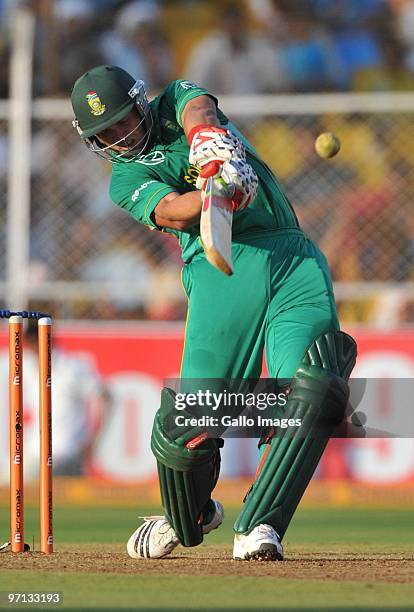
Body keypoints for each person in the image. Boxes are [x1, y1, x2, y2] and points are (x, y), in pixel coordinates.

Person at [70, 65, 357, 561]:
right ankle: (189, 515)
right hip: (220, 266)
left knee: (313, 388)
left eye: (122, 121)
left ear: (141, 102)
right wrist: (213, 193)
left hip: (294, 257)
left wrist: (208, 143)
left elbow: (198, 108)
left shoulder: (176, 98)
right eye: (106, 134)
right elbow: (170, 210)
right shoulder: (124, 180)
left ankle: (261, 525)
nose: (120, 136)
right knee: (192, 419)